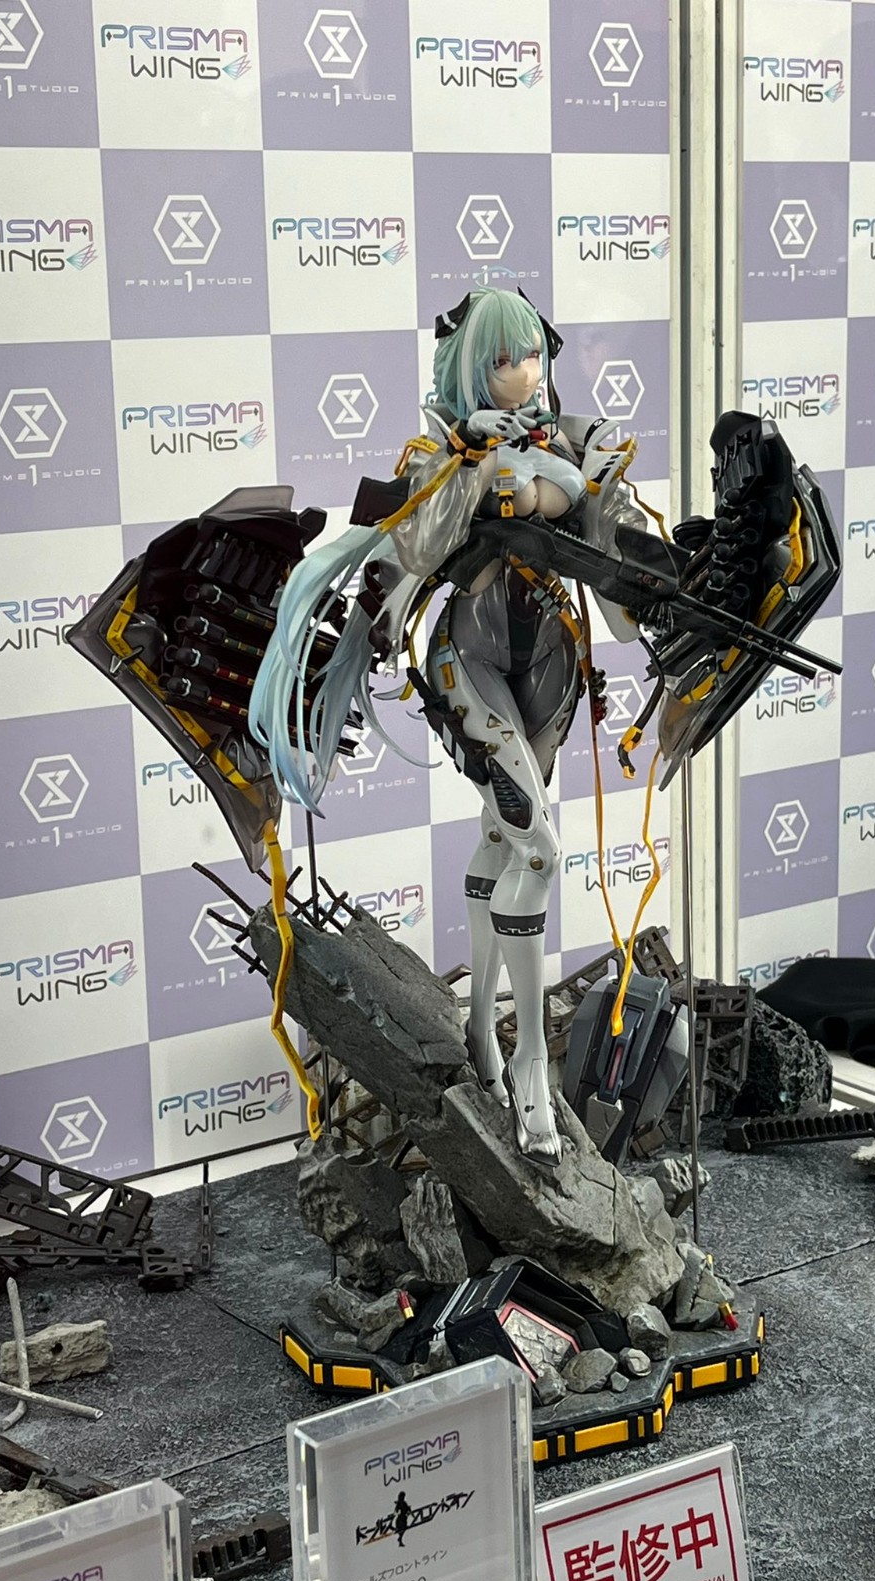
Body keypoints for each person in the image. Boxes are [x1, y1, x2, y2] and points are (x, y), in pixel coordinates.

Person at [251, 287, 661, 1168]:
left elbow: (620, 542)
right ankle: (530, 1065)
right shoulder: (444, 449)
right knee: (540, 852)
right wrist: (478, 468)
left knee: (506, 838)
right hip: (465, 662)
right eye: (507, 359)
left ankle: (477, 1024)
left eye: (534, 354)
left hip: (549, 661)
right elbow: (414, 543)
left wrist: (633, 543)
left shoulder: (575, 439)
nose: (527, 372)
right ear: (477, 366)